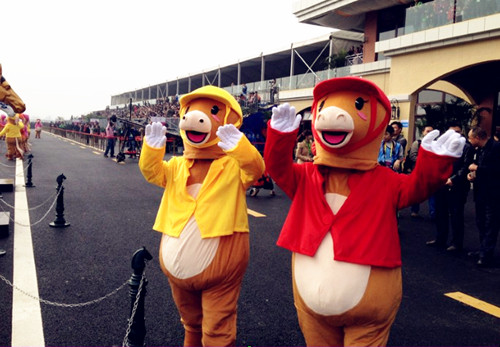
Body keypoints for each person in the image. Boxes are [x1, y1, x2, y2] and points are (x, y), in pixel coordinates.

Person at [426, 124, 473, 252]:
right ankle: (440, 239)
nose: (455, 135)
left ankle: (456, 243)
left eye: (458, 132)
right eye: (452, 132)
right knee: (441, 213)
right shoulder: (442, 146)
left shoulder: (467, 147)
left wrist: (453, 179)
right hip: (441, 184)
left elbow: (466, 166)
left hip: (457, 186)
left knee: (456, 215)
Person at [467, 126, 500, 267]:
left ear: (477, 137)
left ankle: (486, 254)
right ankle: (483, 249)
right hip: (480, 192)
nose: (469, 140)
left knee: (491, 223)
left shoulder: (496, 148)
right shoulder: (479, 150)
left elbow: (496, 170)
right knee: (480, 221)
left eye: (470, 138)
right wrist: (473, 176)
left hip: (493, 193)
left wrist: (477, 169)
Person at [407, 125, 436, 218]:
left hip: (431, 172)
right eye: (428, 131)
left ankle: (433, 212)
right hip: (419, 171)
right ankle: (414, 211)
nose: (430, 133)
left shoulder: (435, 144)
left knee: (432, 192)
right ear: (423, 132)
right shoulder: (417, 143)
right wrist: (425, 162)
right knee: (417, 191)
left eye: (431, 131)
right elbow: (413, 156)